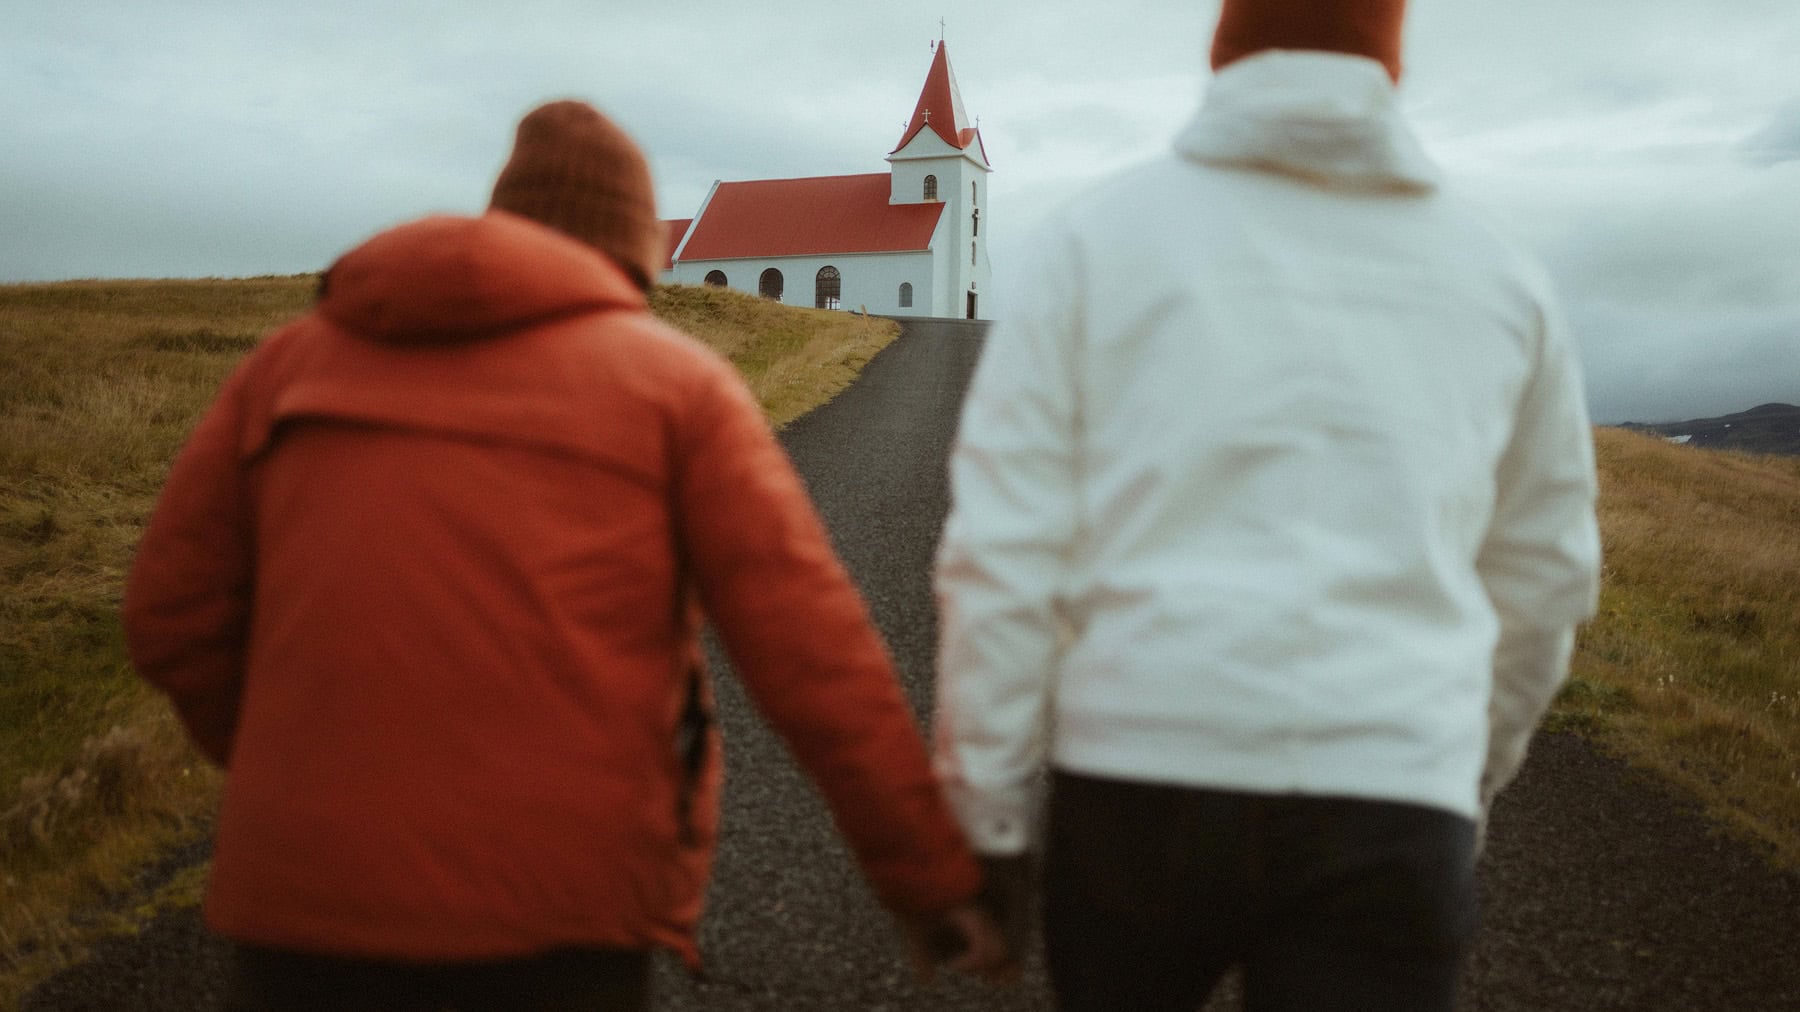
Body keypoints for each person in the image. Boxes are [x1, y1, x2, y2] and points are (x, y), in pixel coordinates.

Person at [124, 99, 1007, 1010]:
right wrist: (929, 878)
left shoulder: (286, 365)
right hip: (560, 902)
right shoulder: (677, 387)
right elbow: (813, 656)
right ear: (630, 251)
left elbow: (170, 613)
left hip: (297, 898)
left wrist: (294, 761)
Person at [931, 1, 1603, 1008]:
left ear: (1227, 45)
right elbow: (1545, 578)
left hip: (1138, 782)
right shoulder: (1504, 278)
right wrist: (1459, 776)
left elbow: (1003, 553)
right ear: (1389, 52)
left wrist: (984, 821)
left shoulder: (1093, 243)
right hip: (1392, 797)